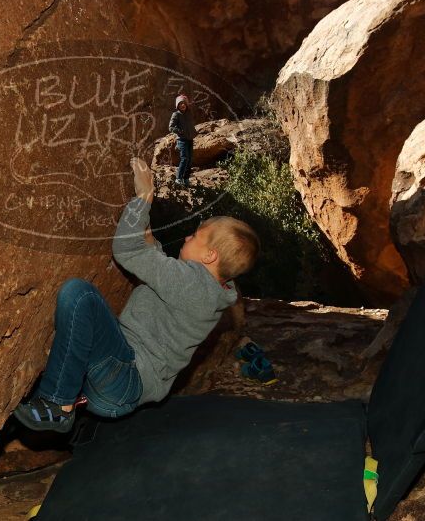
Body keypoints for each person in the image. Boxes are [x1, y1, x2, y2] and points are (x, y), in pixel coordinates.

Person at [13, 157, 260, 433]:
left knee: (79, 295)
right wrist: (153, 245)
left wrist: (144, 197)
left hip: (124, 375)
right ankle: (71, 399)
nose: (188, 238)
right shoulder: (213, 292)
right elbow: (169, 280)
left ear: (210, 255)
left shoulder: (192, 285)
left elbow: (127, 251)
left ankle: (58, 405)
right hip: (120, 390)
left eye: (195, 236)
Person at [168, 94, 197, 186]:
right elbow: (171, 127)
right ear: (177, 106)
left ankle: (186, 179)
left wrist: (194, 132)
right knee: (184, 158)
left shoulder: (188, 114)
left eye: (184, 103)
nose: (183, 105)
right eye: (180, 104)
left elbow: (190, 125)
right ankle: (178, 178)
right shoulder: (176, 114)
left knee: (190, 159)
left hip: (190, 139)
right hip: (182, 140)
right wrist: (179, 131)